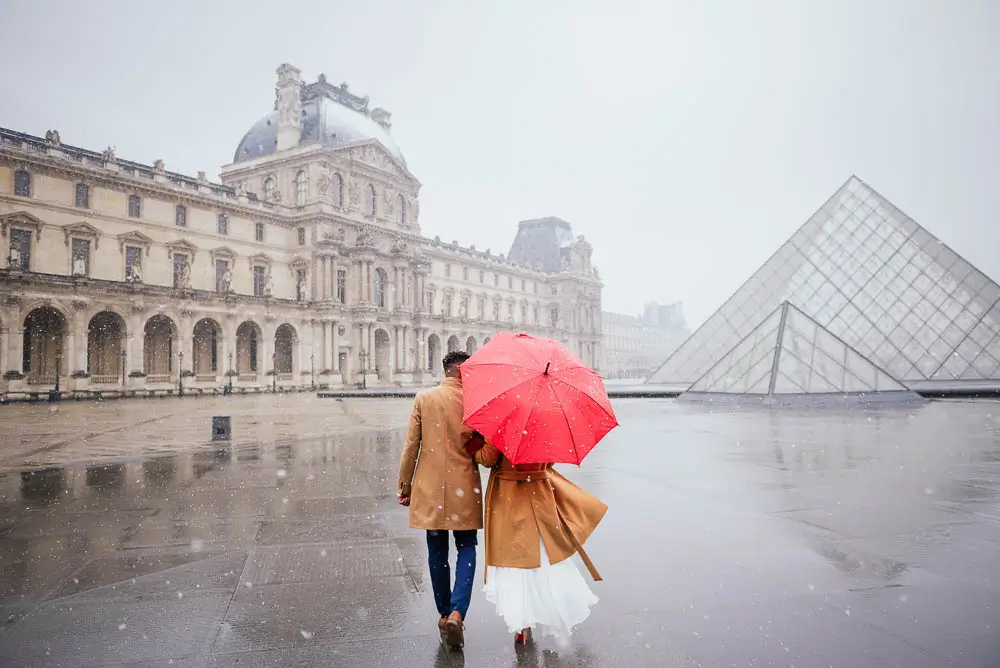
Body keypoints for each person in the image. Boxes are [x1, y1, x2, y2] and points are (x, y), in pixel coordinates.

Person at [468, 435, 607, 645]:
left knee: (515, 558)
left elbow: (488, 458)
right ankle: (551, 609)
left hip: (509, 495)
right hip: (539, 493)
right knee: (543, 554)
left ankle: (522, 622)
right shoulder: (545, 422)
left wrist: (474, 450)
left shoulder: (503, 421)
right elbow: (550, 460)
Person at [397, 350, 482, 649]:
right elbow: (485, 456)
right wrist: (476, 443)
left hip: (430, 489)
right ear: (465, 372)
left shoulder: (425, 398)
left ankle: (444, 612)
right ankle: (458, 611)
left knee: (436, 551)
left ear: (446, 371)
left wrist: (405, 486)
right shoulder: (476, 403)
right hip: (465, 490)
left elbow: (411, 447)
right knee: (467, 547)